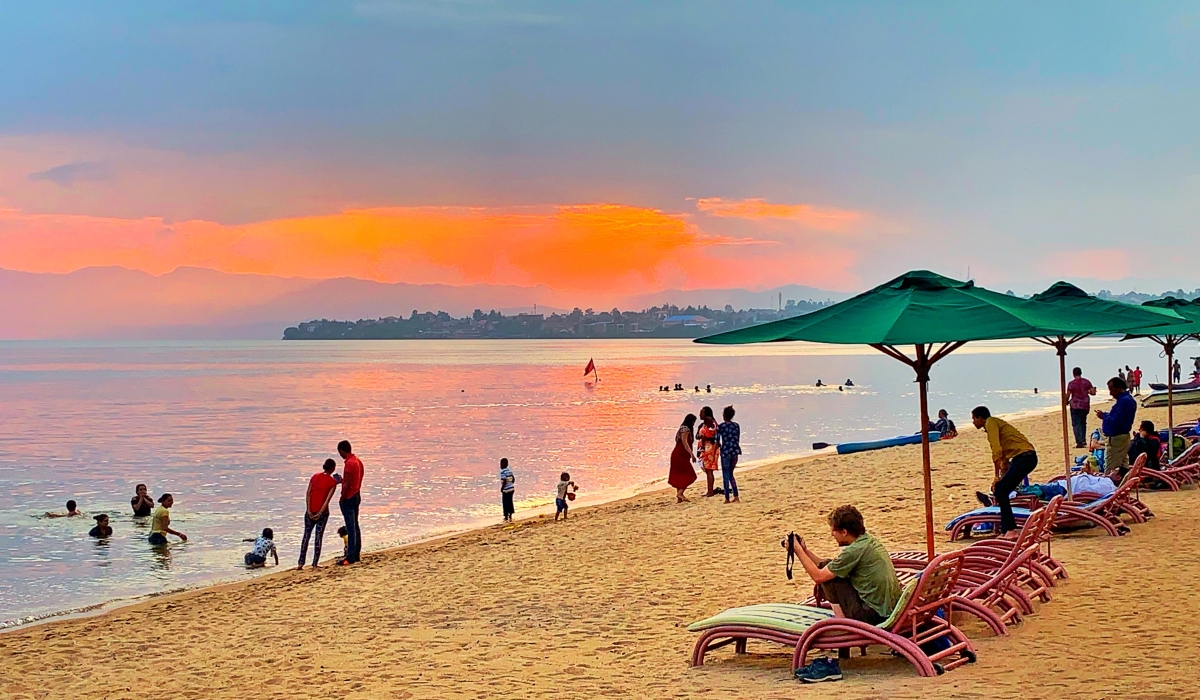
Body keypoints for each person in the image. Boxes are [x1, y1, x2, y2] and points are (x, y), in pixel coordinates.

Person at [790, 505, 902, 684]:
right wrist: (805, 550)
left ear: (843, 531)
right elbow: (828, 566)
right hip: (886, 608)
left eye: (833, 531)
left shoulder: (853, 551)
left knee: (828, 579)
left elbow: (818, 577)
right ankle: (842, 619)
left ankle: (842, 623)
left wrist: (796, 550)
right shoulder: (867, 542)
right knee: (829, 566)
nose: (831, 535)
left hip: (871, 615)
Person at [971, 406, 1038, 538]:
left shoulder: (990, 423)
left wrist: (996, 477)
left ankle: (1011, 529)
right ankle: (1006, 529)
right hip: (1025, 457)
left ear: (980, 418)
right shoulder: (997, 423)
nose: (973, 422)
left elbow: (996, 451)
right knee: (1001, 490)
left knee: (1001, 490)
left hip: (1025, 457)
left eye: (974, 418)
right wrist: (1001, 477)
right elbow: (1004, 460)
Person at [298, 458, 339, 570]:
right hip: (322, 513)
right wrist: (320, 513)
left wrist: (309, 510)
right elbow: (327, 500)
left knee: (306, 536)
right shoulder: (332, 482)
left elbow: (308, 493)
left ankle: (300, 563)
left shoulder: (315, 476)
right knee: (318, 537)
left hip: (310, 510)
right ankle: (315, 563)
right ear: (332, 468)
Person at [1095, 376, 1136, 475]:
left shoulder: (1125, 401)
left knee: (1110, 468)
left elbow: (1116, 421)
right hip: (1121, 437)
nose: (1111, 393)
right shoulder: (1126, 400)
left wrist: (1104, 416)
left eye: (1112, 390)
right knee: (1122, 467)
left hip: (1117, 438)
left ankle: (1111, 487)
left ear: (1119, 388)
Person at [338, 440, 364, 565]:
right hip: (357, 493)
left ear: (342, 451)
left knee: (350, 527)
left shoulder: (349, 463)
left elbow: (347, 484)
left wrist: (342, 497)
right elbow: (355, 479)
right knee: (355, 525)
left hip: (349, 496)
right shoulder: (358, 461)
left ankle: (350, 556)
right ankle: (356, 553)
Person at [668, 414, 698, 503]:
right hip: (680, 455)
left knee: (679, 476)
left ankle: (679, 498)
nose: (693, 424)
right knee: (690, 475)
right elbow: (685, 443)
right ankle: (680, 493)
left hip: (680, 455)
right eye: (693, 422)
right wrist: (692, 454)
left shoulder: (682, 428)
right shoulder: (685, 429)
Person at [716, 405, 741, 503]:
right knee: (731, 474)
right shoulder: (736, 425)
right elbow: (737, 438)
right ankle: (736, 496)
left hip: (726, 451)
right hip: (735, 451)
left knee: (725, 475)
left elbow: (717, 440)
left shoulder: (721, 426)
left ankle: (727, 498)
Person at [1066, 367, 1096, 448]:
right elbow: (1093, 392)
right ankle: (1083, 440)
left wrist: (1065, 402)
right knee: (1083, 423)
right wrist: (1088, 391)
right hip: (1085, 405)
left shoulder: (1071, 384)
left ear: (1073, 374)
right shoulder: (1086, 382)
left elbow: (1068, 395)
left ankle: (1079, 442)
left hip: (1075, 405)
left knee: (1076, 424)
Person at [697, 406, 720, 497]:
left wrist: (704, 437)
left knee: (709, 470)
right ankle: (709, 491)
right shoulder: (704, 424)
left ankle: (710, 491)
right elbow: (698, 435)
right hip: (704, 448)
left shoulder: (712, 423)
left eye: (701, 413)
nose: (700, 414)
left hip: (710, 449)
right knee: (707, 470)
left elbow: (714, 437)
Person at [499, 458, 516, 523]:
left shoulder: (502, 472)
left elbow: (504, 480)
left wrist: (502, 488)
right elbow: (513, 479)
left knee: (505, 503)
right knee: (510, 502)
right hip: (511, 488)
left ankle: (506, 516)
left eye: (501, 464)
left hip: (506, 490)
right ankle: (510, 515)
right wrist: (510, 484)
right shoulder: (509, 471)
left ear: (503, 464)